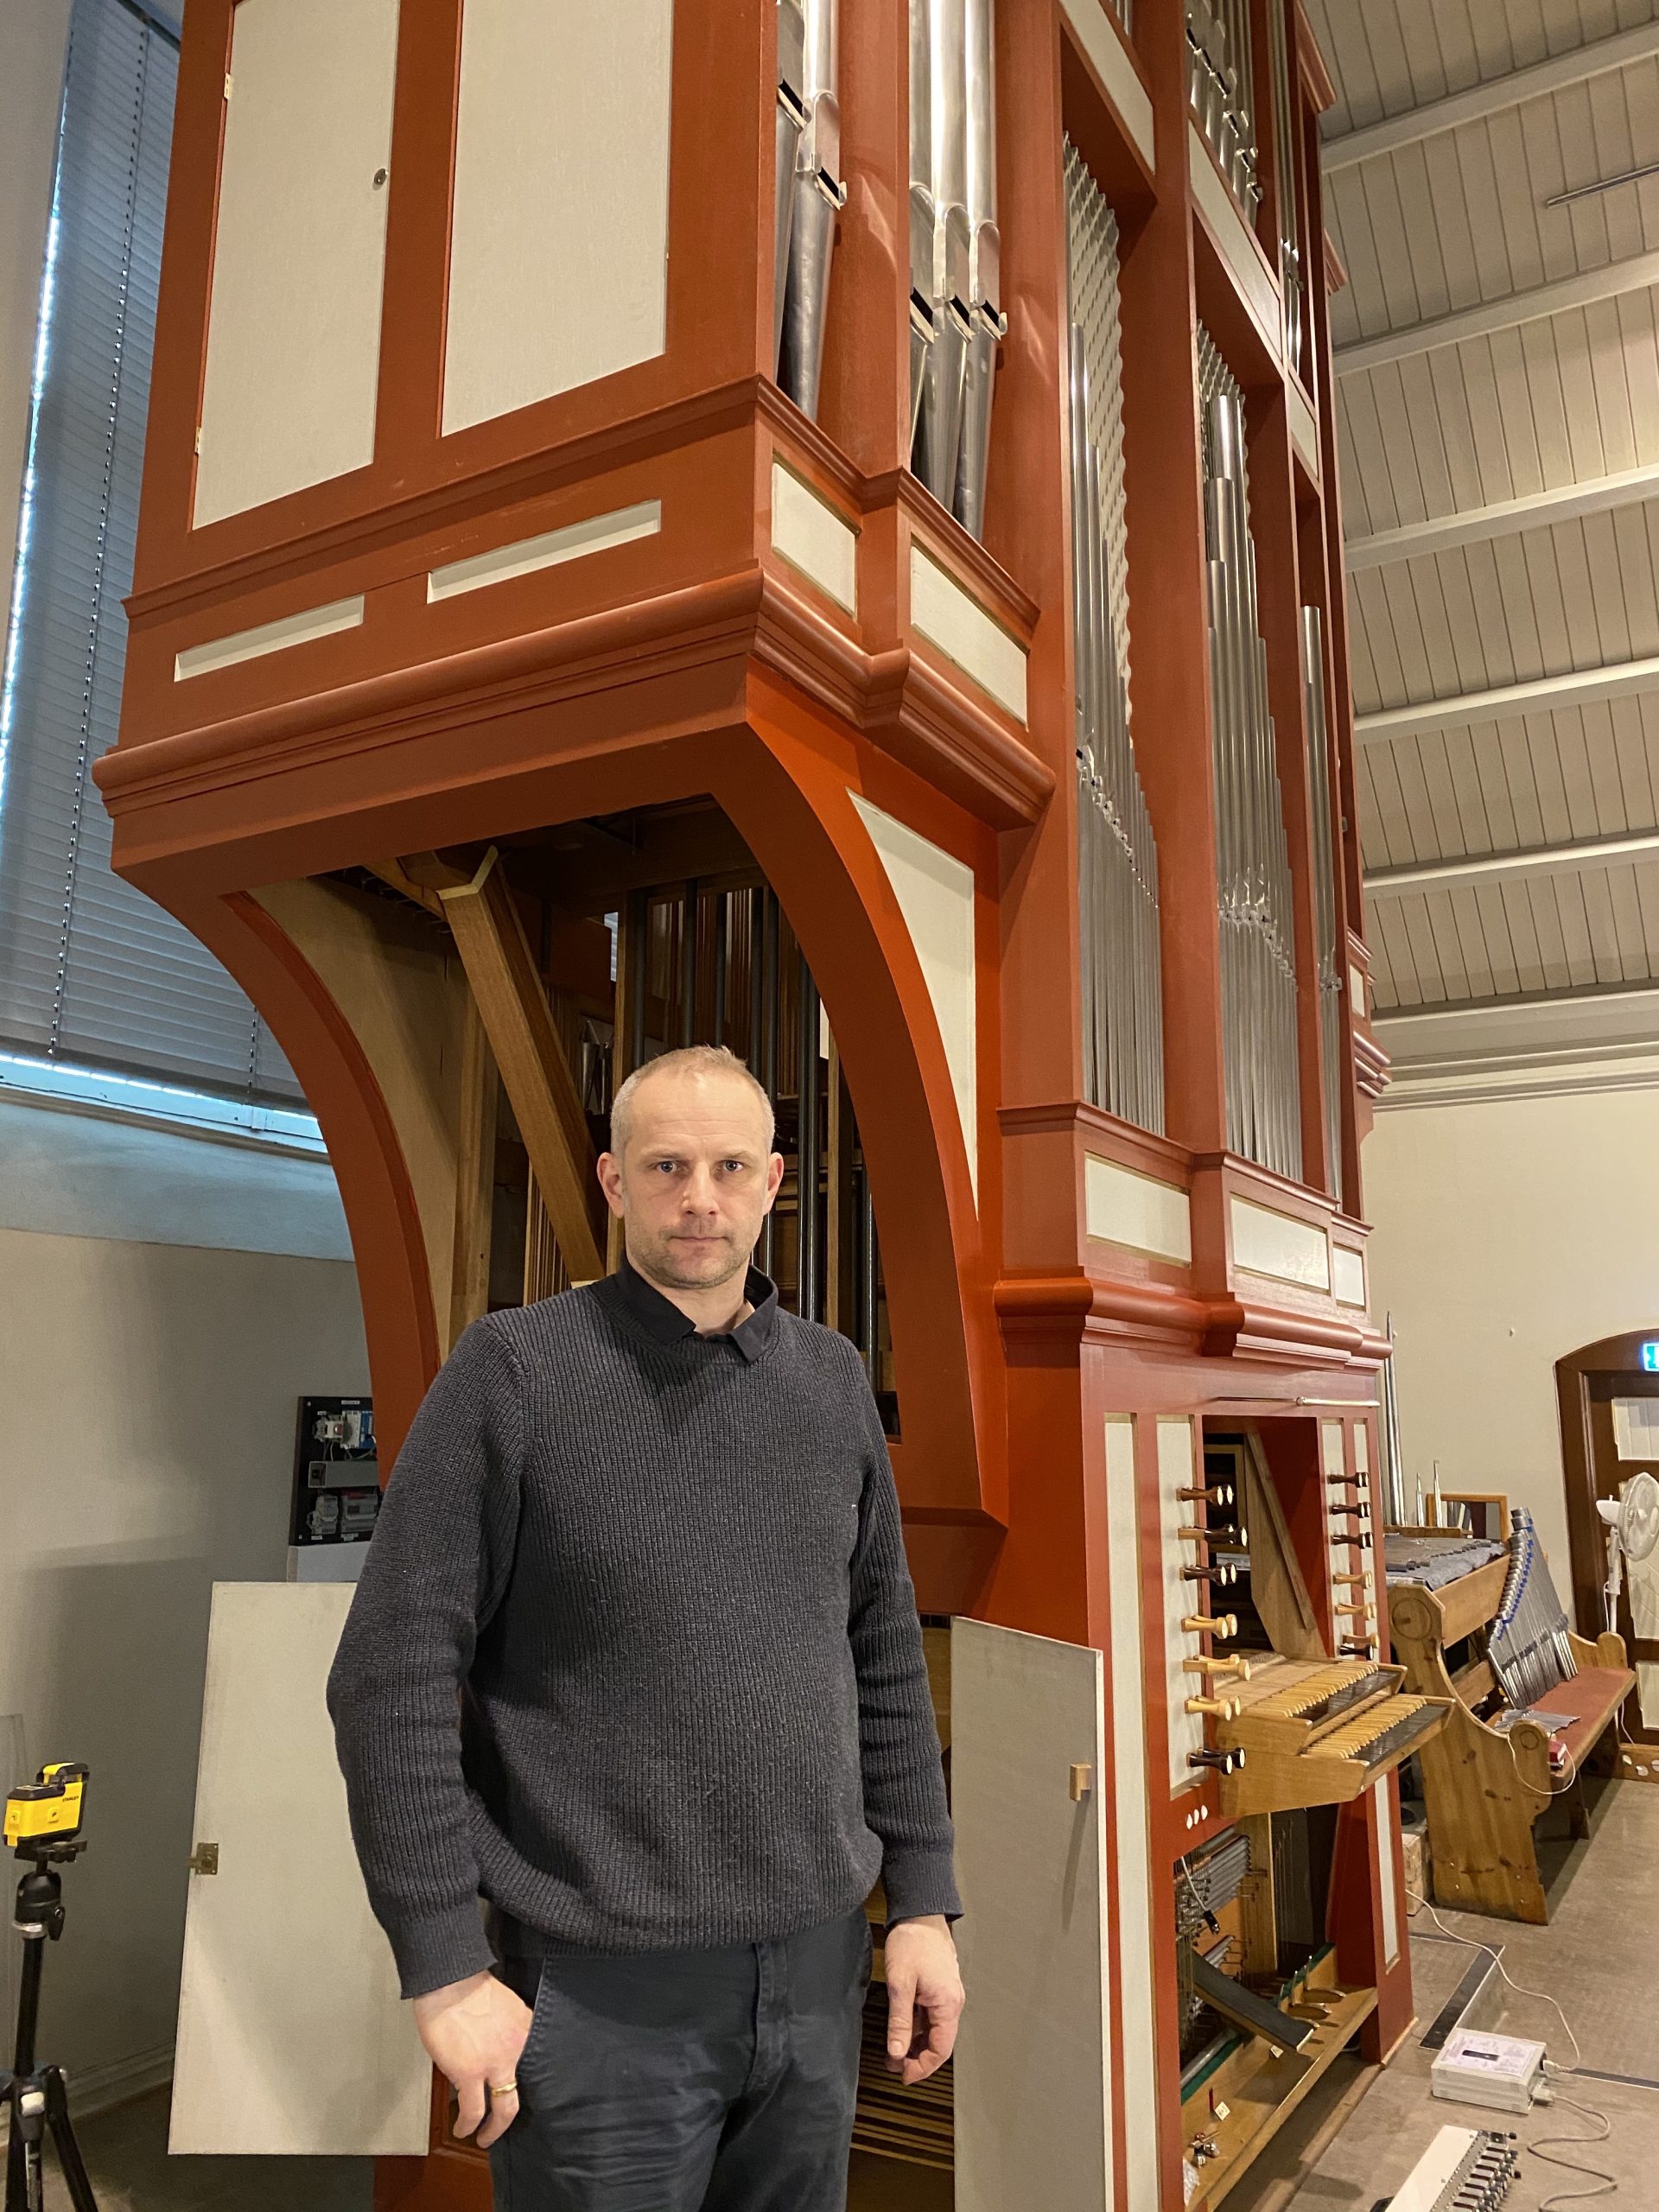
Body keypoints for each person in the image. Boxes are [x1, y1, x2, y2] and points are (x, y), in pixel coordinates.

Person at [327, 1042, 964, 2210]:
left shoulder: (830, 1383)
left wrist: (921, 1897)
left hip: (817, 1976)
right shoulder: (515, 1374)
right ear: (615, 1180)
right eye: (667, 1165)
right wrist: (441, 1962)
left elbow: (882, 1653)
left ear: (775, 1181)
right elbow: (391, 1675)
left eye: (730, 1166)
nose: (700, 1198)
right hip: (599, 2000)